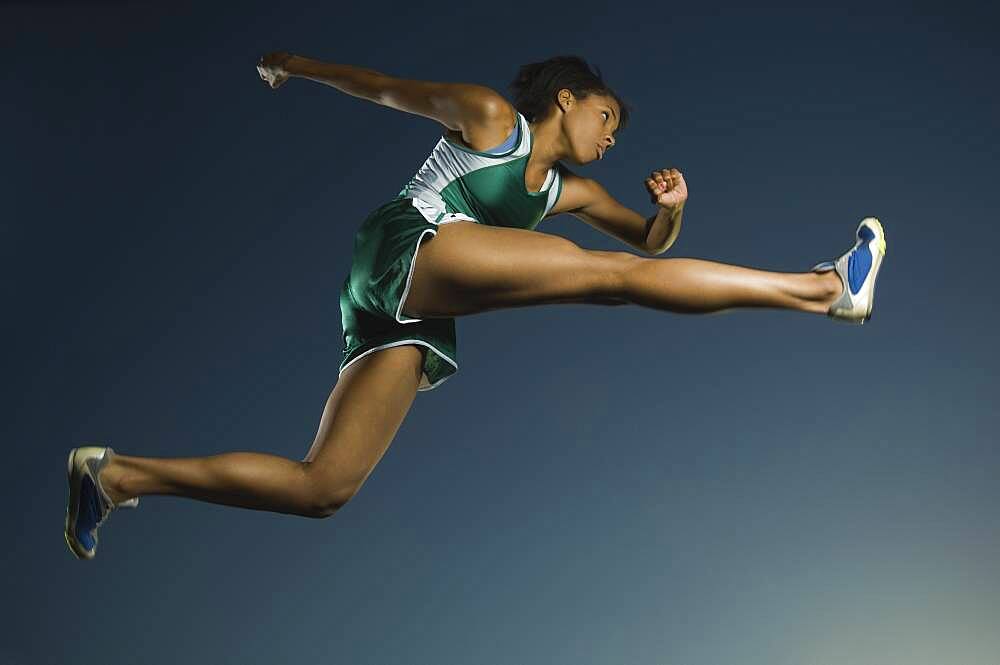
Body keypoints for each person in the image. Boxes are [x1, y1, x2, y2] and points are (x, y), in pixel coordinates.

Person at [65, 53, 886, 560]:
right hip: (409, 246)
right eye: (607, 115)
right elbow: (387, 89)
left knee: (324, 487)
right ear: (565, 98)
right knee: (596, 279)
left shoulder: (574, 190)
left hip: (404, 309)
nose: (612, 134)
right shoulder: (494, 121)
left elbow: (648, 246)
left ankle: (115, 475)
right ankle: (822, 289)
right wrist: (299, 66)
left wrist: (671, 208)